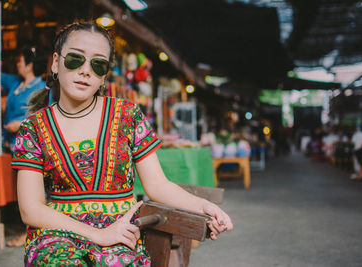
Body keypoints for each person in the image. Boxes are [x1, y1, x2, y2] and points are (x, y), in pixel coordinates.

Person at [12, 22, 233, 266]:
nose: (86, 71)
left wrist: (204, 206)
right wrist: (98, 234)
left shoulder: (127, 115)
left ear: (104, 74)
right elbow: (31, 210)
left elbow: (158, 185)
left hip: (121, 230)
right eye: (75, 59)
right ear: (55, 62)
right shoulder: (33, 127)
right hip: (57, 234)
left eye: (98, 64)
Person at [1, 47, 48, 247]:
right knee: (22, 190)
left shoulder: (43, 87)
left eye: (20, 60)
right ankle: (30, 231)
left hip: (32, 145)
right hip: (12, 145)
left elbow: (46, 114)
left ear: (30, 64)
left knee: (34, 191)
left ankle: (32, 233)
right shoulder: (16, 84)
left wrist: (20, 124)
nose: (17, 64)